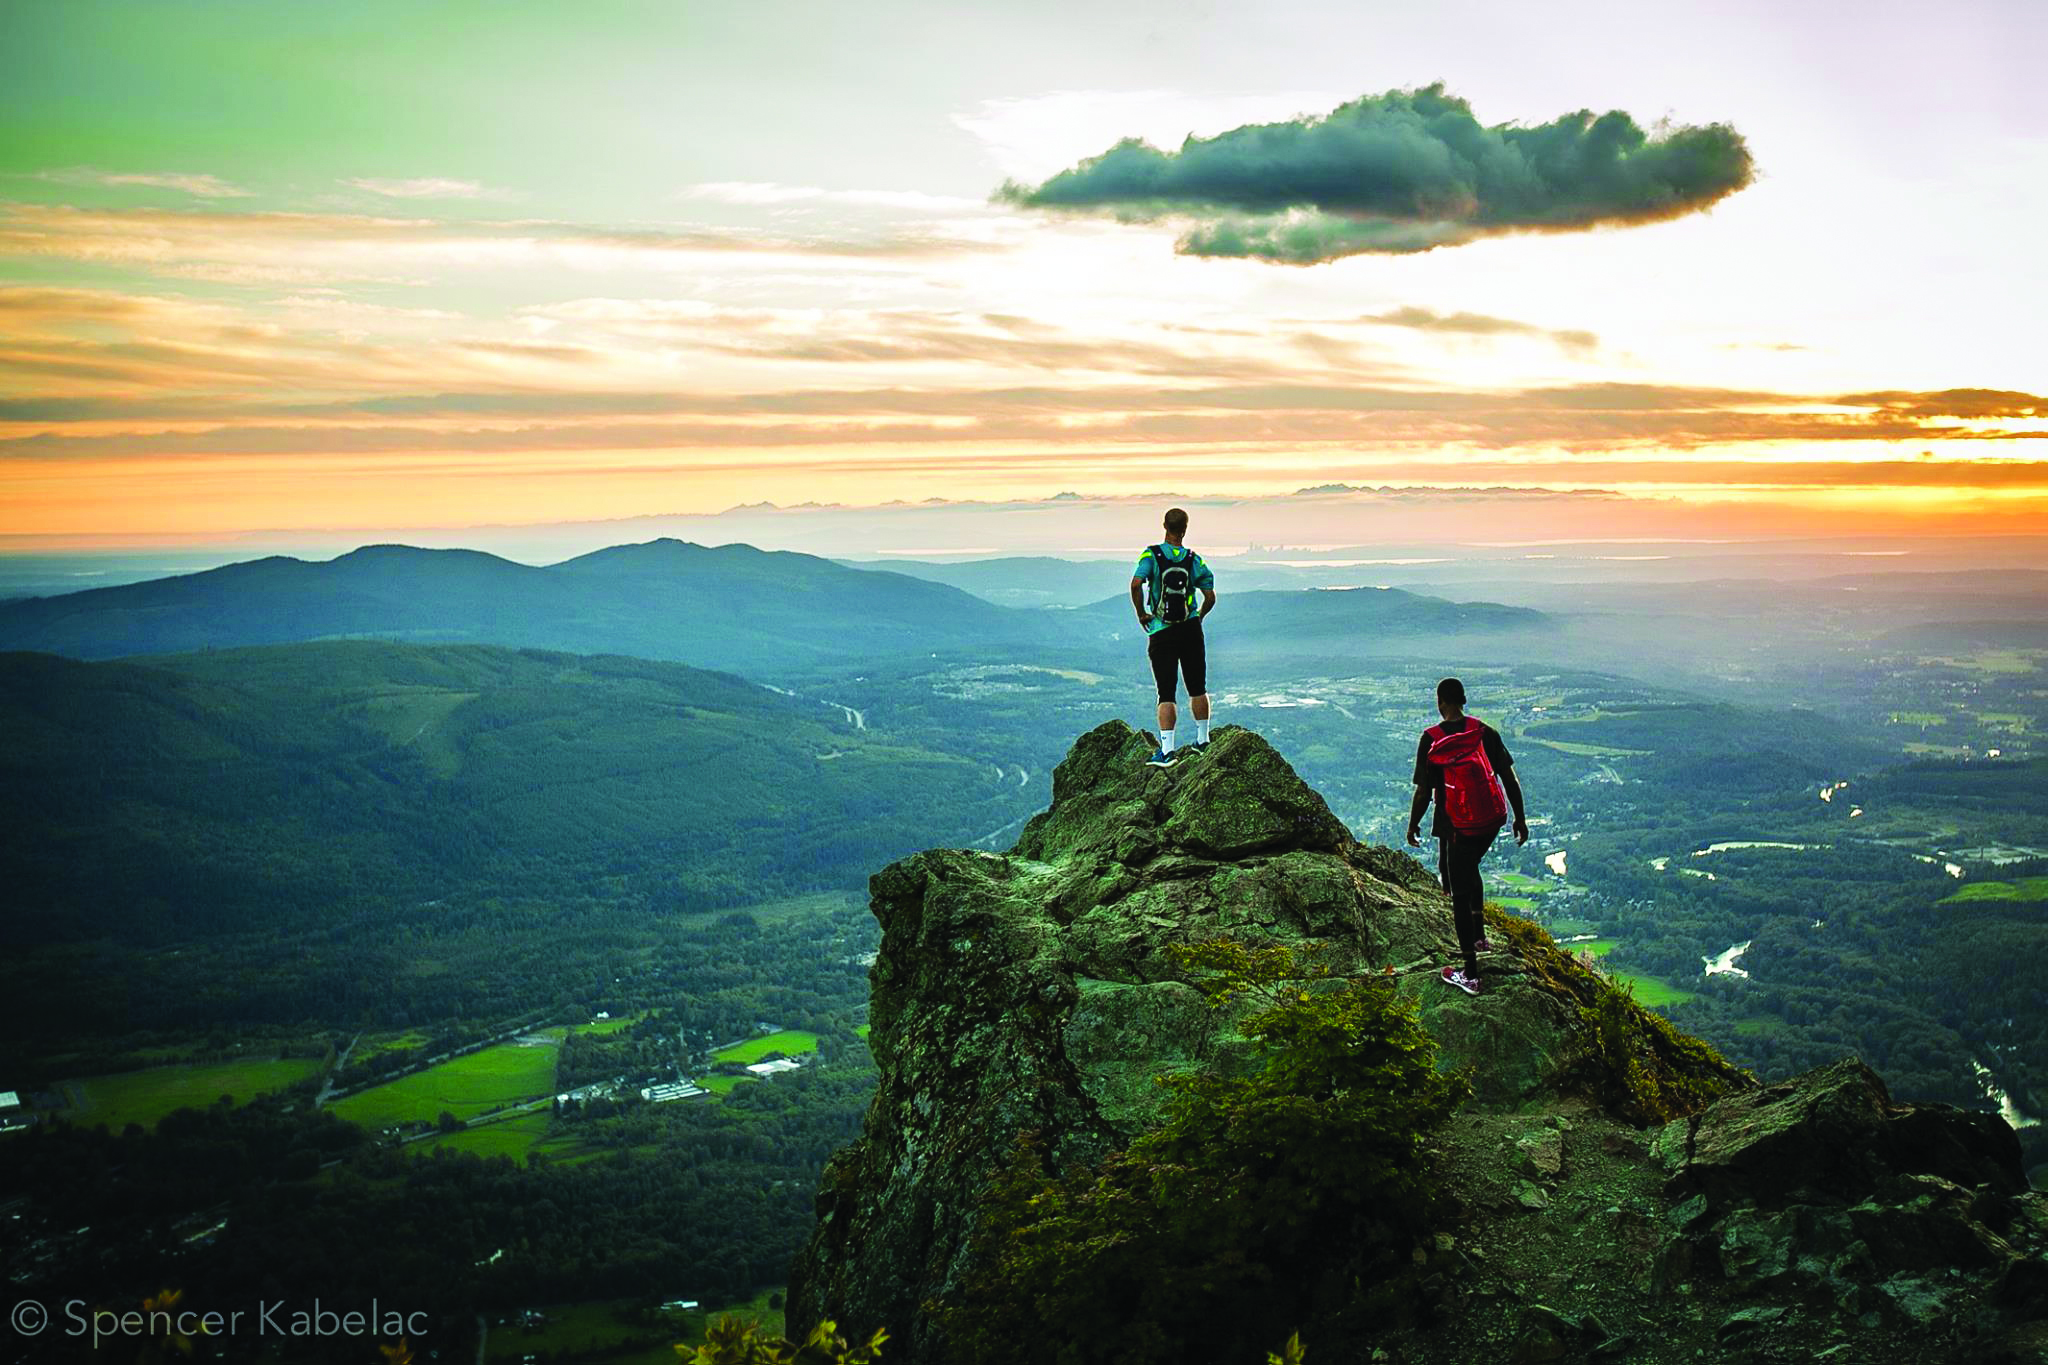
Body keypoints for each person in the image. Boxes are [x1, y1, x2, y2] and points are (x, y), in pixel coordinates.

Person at [1406, 677, 1528, 995]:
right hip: (1489, 821)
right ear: (1464, 699)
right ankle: (1479, 935)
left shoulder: (1431, 739)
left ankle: (1470, 973)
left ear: (1440, 702)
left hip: (1454, 824)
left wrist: (1412, 824)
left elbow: (1423, 793)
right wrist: (1519, 818)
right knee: (1468, 868)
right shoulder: (1484, 732)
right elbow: (1509, 779)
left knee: (1458, 891)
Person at [1129, 507, 1216, 767]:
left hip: (1161, 631)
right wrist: (1198, 616)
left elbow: (1136, 583)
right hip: (1190, 629)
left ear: (1164, 526)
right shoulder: (1193, 559)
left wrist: (1142, 613)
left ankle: (1167, 751)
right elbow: (1210, 596)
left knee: (1166, 692)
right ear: (1185, 529)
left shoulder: (1151, 554)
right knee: (1197, 686)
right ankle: (1203, 740)